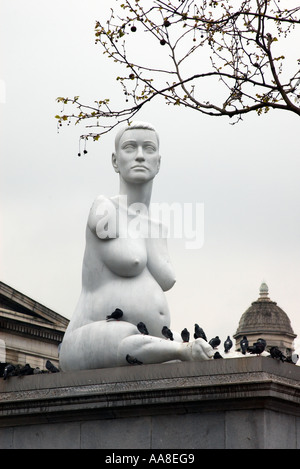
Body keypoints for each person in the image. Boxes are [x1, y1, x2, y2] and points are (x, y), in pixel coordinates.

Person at [59, 122, 214, 371]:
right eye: (130, 147)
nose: (140, 155)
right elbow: (128, 254)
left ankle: (180, 349)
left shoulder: (155, 226)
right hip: (92, 338)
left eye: (148, 148)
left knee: (201, 348)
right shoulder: (104, 208)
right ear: (115, 161)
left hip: (149, 341)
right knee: (124, 334)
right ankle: (181, 351)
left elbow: (166, 279)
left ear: (159, 162)